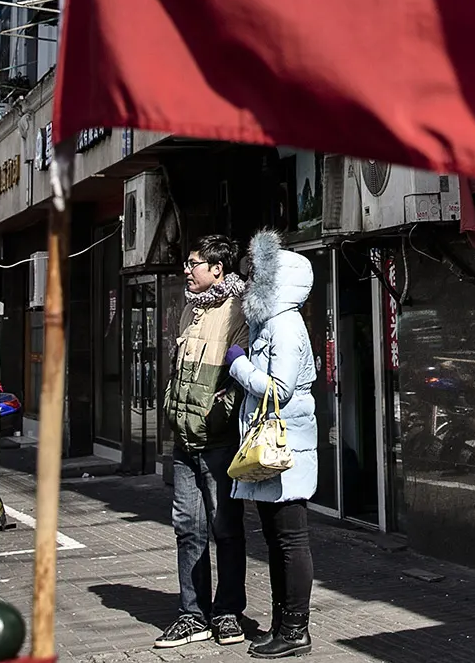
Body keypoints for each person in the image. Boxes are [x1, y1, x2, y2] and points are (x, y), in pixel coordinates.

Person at [157, 234, 254, 649]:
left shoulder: (238, 311)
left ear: (218, 270)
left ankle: (229, 611)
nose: (186, 269)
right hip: (184, 440)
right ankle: (192, 614)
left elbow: (243, 373)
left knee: (225, 528)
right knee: (187, 530)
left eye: (194, 263)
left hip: (218, 441)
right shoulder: (189, 311)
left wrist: (220, 414)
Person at [226, 230, 319, 658]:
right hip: (275, 448)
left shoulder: (283, 325)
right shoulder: (274, 321)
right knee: (277, 539)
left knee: (289, 540)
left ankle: (295, 630)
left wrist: (239, 364)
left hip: (285, 450)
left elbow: (278, 389)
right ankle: (284, 625)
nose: (252, 281)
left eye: (261, 275)